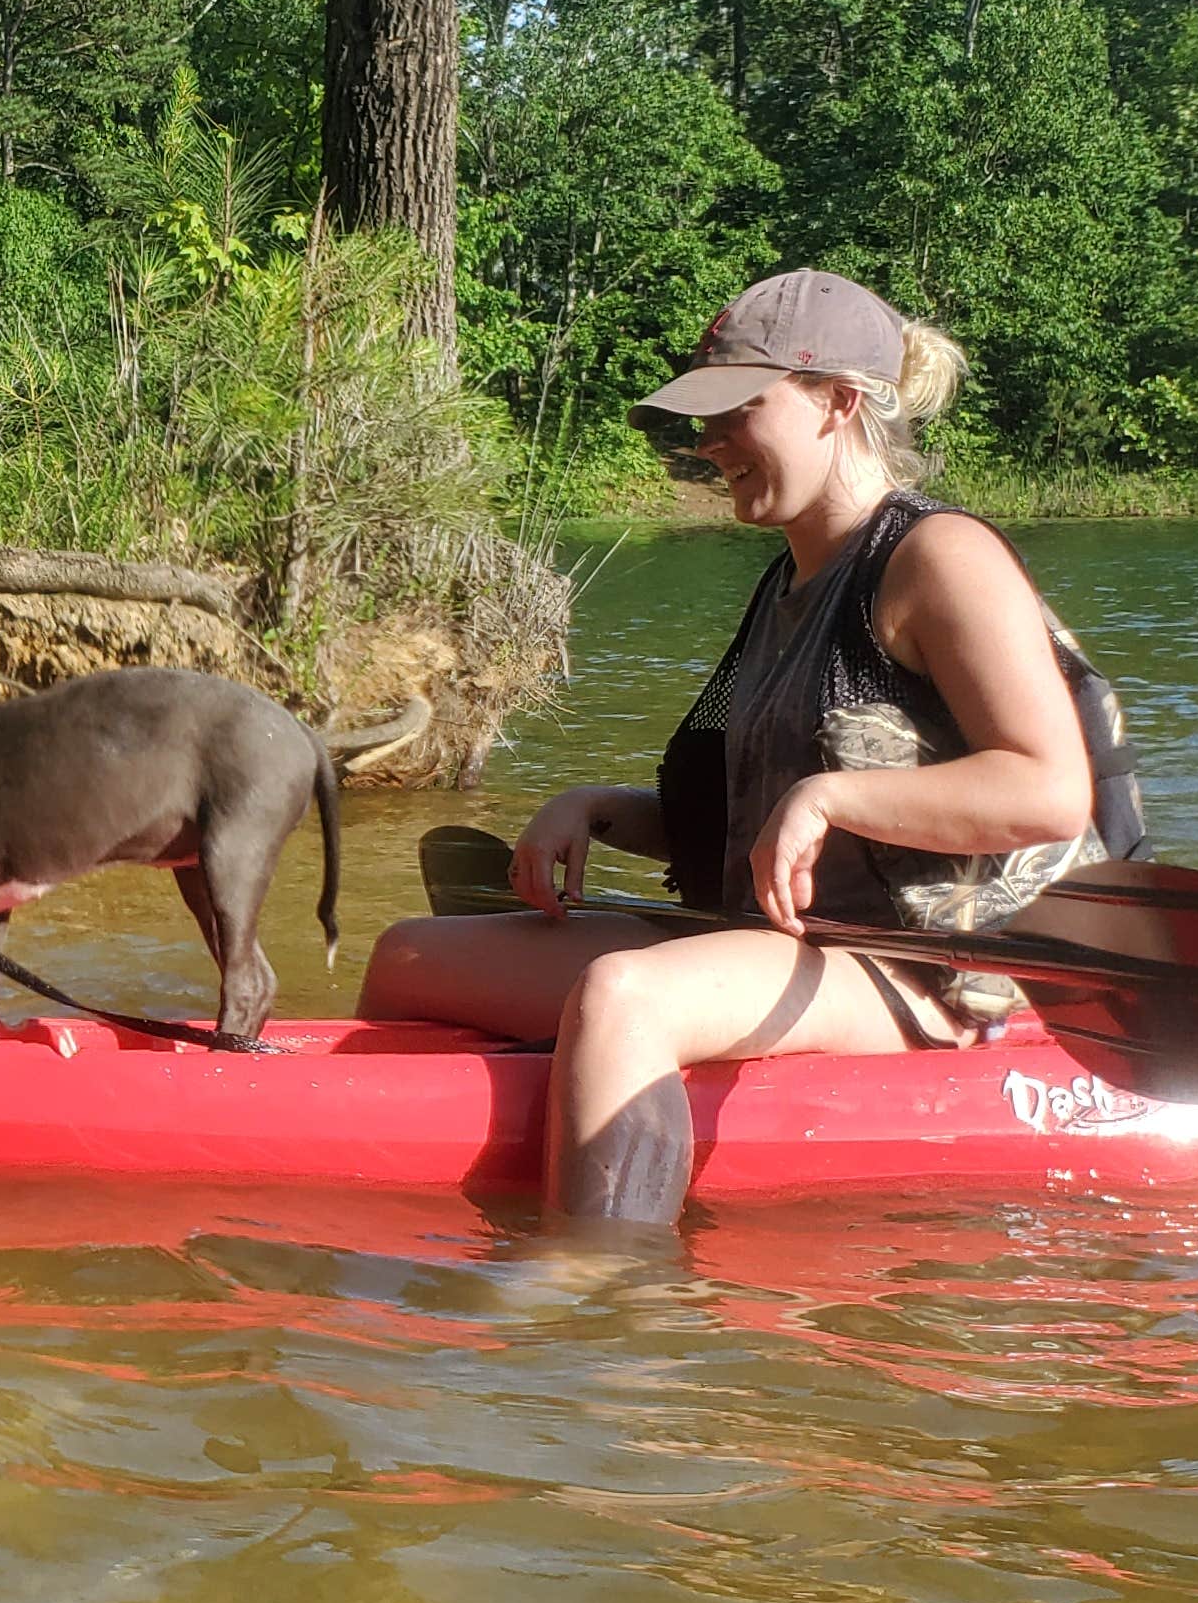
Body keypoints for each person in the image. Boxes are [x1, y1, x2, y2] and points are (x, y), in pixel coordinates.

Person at [354, 269, 1141, 1228]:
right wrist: (597, 807)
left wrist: (829, 799)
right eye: (703, 417)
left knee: (624, 994)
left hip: (918, 970)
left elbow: (1048, 788)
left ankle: (605, 1292)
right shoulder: (785, 586)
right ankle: (553, 1110)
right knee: (409, 960)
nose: (710, 442)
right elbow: (752, 823)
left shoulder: (939, 558)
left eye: (738, 410)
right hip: (786, 949)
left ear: (839, 403)